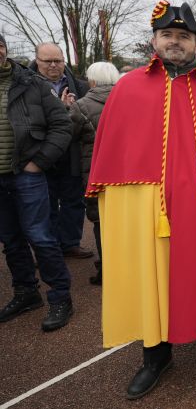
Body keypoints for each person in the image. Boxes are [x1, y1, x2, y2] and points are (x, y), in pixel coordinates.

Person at [87, 1, 196, 399]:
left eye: (183, 36)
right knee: (156, 279)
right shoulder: (129, 88)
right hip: (154, 209)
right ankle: (156, 354)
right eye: (167, 35)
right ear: (154, 40)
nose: (175, 42)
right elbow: (113, 149)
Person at [0, 33, 74, 332]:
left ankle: (60, 297)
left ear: (5, 50)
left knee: (40, 236)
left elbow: (62, 124)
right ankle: (26, 292)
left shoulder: (31, 84)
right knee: (11, 240)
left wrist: (39, 162)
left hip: (26, 175)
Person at [30, 43, 92, 259]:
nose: (54, 65)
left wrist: (74, 111)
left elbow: (89, 121)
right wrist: (58, 109)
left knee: (74, 201)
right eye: (48, 61)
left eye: (58, 60)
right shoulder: (25, 85)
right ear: (37, 60)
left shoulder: (81, 87)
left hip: (72, 154)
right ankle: (49, 249)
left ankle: (70, 243)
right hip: (40, 155)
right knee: (44, 204)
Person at [69, 61, 121, 285]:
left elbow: (69, 134)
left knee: (100, 220)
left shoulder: (81, 105)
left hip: (96, 170)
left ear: (91, 80)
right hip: (129, 170)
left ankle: (106, 271)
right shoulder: (129, 100)